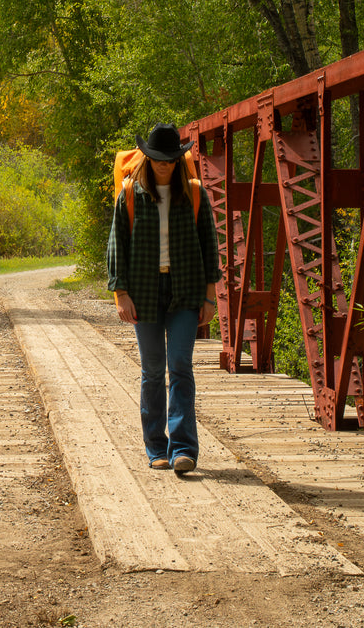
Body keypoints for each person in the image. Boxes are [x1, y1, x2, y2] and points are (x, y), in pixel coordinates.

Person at [106, 122, 223, 474]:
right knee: (153, 371)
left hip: (185, 290)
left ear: (178, 160)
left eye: (171, 159)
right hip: (143, 291)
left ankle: (184, 449)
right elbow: (117, 245)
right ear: (147, 158)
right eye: (158, 158)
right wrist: (121, 293)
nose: (164, 164)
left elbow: (209, 245)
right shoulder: (129, 192)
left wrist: (210, 296)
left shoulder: (194, 193)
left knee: (181, 368)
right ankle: (156, 447)